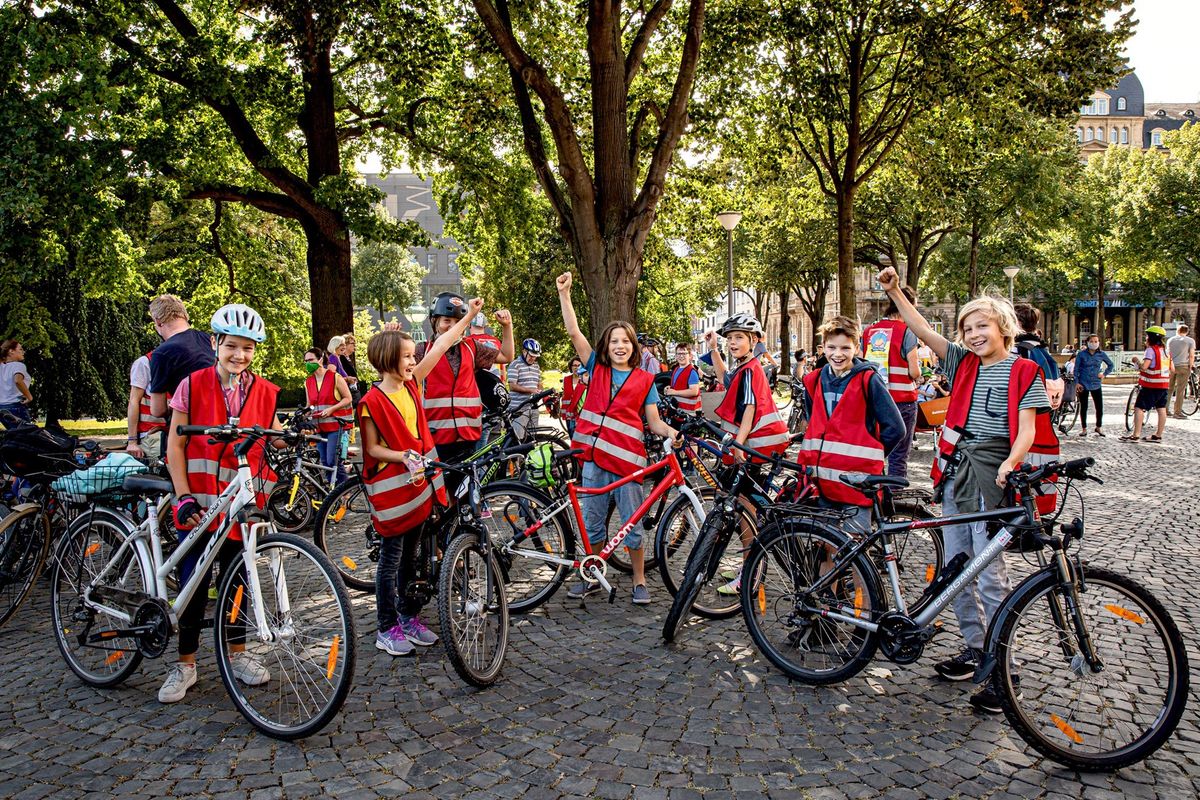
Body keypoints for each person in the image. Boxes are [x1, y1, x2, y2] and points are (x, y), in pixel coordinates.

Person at [878, 266, 1056, 714]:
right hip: (955, 472)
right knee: (956, 568)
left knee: (990, 572)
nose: (974, 334)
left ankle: (1001, 667)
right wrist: (895, 291)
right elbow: (919, 327)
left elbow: (1028, 429)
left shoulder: (1024, 370)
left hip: (993, 476)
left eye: (983, 326)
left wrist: (1012, 463)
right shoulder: (962, 363)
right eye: (967, 328)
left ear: (1004, 328)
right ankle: (975, 649)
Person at [159, 304, 279, 704]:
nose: (239, 355)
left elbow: (273, 434)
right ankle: (186, 662)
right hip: (199, 503)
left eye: (247, 348)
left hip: (240, 506)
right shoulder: (190, 386)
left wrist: (298, 432)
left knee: (238, 581)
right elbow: (175, 445)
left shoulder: (264, 391)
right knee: (194, 583)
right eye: (231, 346)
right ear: (215, 344)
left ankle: (238, 654)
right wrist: (182, 495)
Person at [358, 303, 480, 657]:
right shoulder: (372, 400)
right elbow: (371, 449)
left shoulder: (413, 386)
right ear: (386, 360)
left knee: (413, 557)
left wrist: (469, 317)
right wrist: (402, 456)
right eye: (407, 357)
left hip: (418, 488)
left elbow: (442, 343)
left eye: (414, 356)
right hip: (394, 493)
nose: (413, 362)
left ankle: (408, 616)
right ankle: (386, 626)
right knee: (391, 559)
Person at [557, 272, 677, 605]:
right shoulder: (596, 368)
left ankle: (639, 580)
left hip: (628, 464)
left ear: (633, 346)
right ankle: (594, 574)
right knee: (593, 526)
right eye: (614, 341)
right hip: (594, 462)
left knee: (633, 527)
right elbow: (573, 332)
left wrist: (671, 432)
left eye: (625, 341)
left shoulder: (644, 380)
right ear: (606, 347)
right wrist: (565, 295)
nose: (620, 346)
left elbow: (654, 422)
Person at [703, 314, 793, 594]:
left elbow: (751, 408)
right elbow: (725, 380)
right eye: (729, 338)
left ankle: (751, 574)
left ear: (754, 341)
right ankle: (748, 565)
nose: (733, 342)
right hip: (752, 447)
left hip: (754, 448)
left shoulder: (753, 369)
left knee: (747, 513)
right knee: (746, 509)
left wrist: (738, 445)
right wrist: (714, 349)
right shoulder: (744, 368)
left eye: (739, 337)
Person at [797, 316, 905, 534]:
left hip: (857, 482)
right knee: (824, 543)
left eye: (845, 348)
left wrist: (871, 454)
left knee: (855, 543)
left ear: (856, 348)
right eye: (832, 347)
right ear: (822, 348)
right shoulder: (814, 380)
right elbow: (815, 422)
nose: (838, 354)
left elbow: (896, 428)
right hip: (824, 481)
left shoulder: (868, 380)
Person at [419, 293, 515, 478]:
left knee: (466, 489)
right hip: (435, 435)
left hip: (468, 435)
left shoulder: (472, 347)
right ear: (434, 321)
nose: (453, 326)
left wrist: (507, 327)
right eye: (447, 320)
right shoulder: (422, 350)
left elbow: (506, 356)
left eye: (458, 321)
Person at [862, 287, 922, 478]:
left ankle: (874, 495)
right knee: (898, 455)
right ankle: (895, 499)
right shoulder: (907, 332)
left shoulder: (869, 331)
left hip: (873, 400)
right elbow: (914, 371)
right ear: (909, 307)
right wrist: (920, 374)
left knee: (873, 451)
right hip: (902, 401)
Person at [147, 295, 216, 424]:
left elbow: (158, 410)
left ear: (157, 321)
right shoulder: (209, 339)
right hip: (223, 416)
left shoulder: (162, 353)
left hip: (193, 425)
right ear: (185, 316)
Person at [303, 347, 353, 484]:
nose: (308, 363)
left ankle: (343, 492)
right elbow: (309, 404)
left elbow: (348, 398)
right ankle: (332, 493)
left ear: (320, 359)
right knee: (324, 462)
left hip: (336, 426)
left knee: (333, 461)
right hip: (319, 428)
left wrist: (332, 409)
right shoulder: (308, 382)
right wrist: (303, 413)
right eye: (306, 361)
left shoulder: (335, 377)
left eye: (311, 360)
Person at [1122, 325, 1172, 443]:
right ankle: (1158, 435)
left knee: (1139, 407)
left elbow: (1144, 367)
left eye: (1147, 336)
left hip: (1151, 385)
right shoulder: (1165, 351)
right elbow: (1172, 368)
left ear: (1151, 338)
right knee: (1161, 408)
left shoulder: (1151, 350)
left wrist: (1136, 361)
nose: (1146, 339)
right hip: (1163, 385)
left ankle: (1136, 435)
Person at [1013, 304, 1063, 409]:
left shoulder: (1017, 348)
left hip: (1023, 401)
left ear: (1018, 323)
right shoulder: (1040, 345)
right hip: (1041, 398)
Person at [125, 351, 165, 460]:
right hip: (152, 435)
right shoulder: (145, 362)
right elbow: (134, 401)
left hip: (175, 433)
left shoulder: (186, 361)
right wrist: (132, 442)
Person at [1073, 333, 1114, 436]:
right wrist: (1077, 382)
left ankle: (1098, 427)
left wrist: (1104, 374)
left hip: (1096, 383)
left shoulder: (1101, 354)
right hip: (1083, 383)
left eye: (1096, 341)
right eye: (1091, 341)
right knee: (1084, 406)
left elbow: (1110, 365)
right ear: (1087, 342)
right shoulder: (1081, 354)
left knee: (1099, 406)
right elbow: (1076, 369)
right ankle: (1084, 428)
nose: (1094, 343)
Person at [508, 338, 544, 437]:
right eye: (531, 356)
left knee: (533, 438)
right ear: (524, 351)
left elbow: (539, 382)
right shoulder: (515, 364)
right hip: (519, 408)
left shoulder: (536, 366)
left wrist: (541, 391)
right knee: (519, 438)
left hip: (533, 407)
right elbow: (512, 386)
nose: (533, 359)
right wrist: (531, 390)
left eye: (535, 356)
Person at [0, 340, 34, 428]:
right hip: (16, 407)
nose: (23, 352)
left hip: (2, 407)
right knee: (27, 437)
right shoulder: (18, 365)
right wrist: (29, 397)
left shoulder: (1, 367)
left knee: (15, 437)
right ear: (11, 351)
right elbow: (18, 380)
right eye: (20, 349)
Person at [1167, 324, 1195, 419]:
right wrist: (1191, 366)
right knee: (1180, 390)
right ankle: (1177, 412)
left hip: (1171, 366)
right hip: (1183, 366)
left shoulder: (1170, 340)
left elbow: (1167, 354)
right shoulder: (1190, 341)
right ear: (1187, 332)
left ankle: (1165, 410)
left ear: (1177, 331)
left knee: (1169, 389)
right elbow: (1191, 355)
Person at [664, 343, 701, 414]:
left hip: (689, 414)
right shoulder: (676, 369)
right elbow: (678, 386)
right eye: (679, 354)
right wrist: (669, 388)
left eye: (684, 354)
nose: (681, 356)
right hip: (678, 412)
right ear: (675, 356)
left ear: (690, 356)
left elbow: (694, 391)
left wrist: (674, 392)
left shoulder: (691, 371)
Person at [560, 357, 584, 437]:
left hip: (581, 414)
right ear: (571, 367)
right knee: (572, 437)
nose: (576, 368)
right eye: (574, 365)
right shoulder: (566, 379)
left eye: (579, 365)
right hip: (569, 415)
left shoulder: (585, 379)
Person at [339, 333, 361, 405]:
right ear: (345, 345)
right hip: (348, 391)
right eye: (353, 343)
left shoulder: (347, 358)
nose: (355, 345)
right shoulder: (341, 358)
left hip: (353, 390)